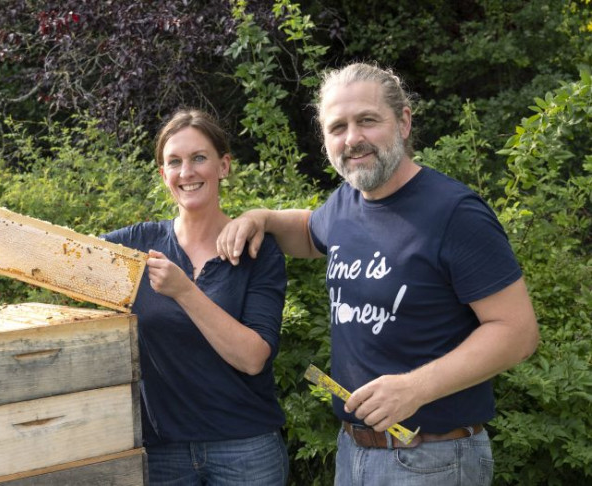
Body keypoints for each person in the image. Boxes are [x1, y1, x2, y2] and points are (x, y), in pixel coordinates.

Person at [216, 62, 539, 486]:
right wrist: (262, 217)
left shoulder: (455, 213)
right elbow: (310, 233)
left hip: (433, 459)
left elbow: (517, 332)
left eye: (367, 120)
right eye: (337, 127)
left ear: (403, 122)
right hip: (353, 452)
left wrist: (415, 388)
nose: (352, 138)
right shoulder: (347, 202)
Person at [0, 109, 289, 485]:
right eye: (174, 162)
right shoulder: (138, 247)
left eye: (199, 158)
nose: (186, 172)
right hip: (162, 452)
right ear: (163, 175)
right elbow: (50, 260)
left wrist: (184, 292)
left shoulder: (258, 251)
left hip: (245, 449)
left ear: (224, 166)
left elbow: (252, 358)